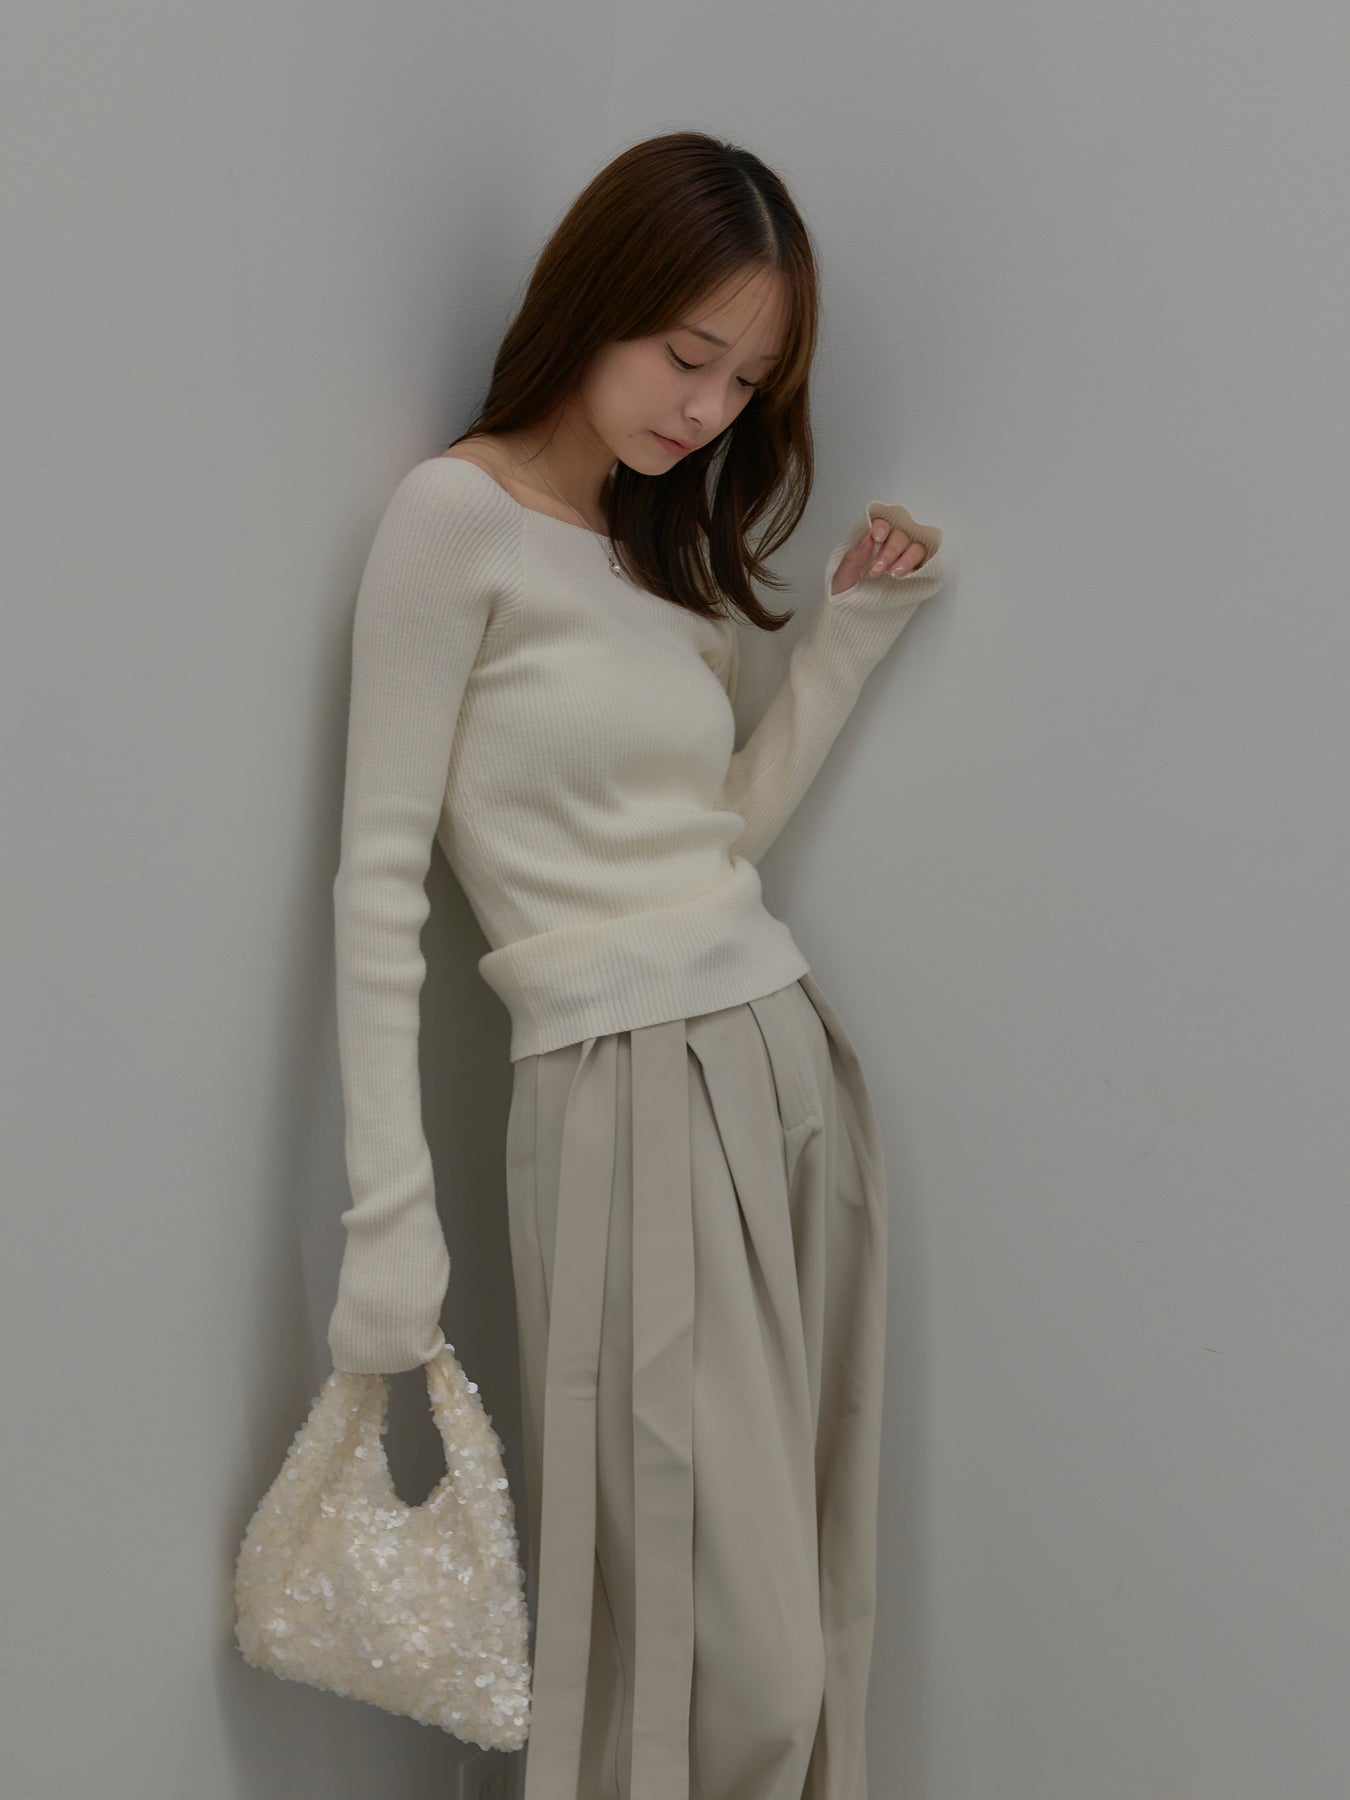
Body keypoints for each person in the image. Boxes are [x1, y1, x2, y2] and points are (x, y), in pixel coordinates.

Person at [325, 128, 949, 1800]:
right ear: (594, 300)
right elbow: (378, 883)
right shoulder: (453, 518)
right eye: (687, 354)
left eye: (745, 384)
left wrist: (846, 640)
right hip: (617, 1087)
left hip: (776, 1056)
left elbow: (711, 832)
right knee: (713, 1647)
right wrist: (390, 1220)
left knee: (797, 1584)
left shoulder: (651, 558)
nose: (706, 409)